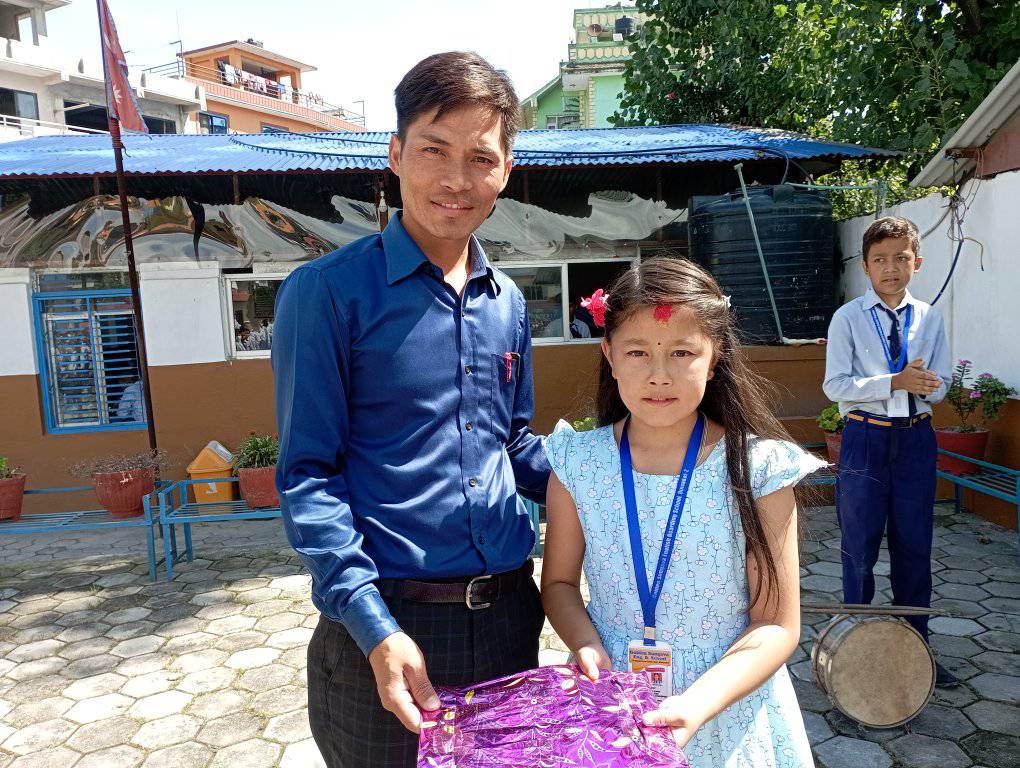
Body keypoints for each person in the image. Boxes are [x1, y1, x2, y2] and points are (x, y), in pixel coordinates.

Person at [272, 51, 550, 768]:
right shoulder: (327, 294)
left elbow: (513, 444)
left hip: (510, 621)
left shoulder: (508, 304)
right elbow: (307, 474)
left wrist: (637, 469)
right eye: (433, 150)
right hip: (390, 629)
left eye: (480, 157)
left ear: (506, 170)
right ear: (395, 154)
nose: (456, 180)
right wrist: (373, 626)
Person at [541, 257, 821, 767]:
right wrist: (586, 646)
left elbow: (776, 625)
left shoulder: (759, 469)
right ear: (608, 353)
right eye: (638, 352)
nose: (659, 375)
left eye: (682, 352)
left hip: (729, 709)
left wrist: (696, 705)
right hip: (617, 707)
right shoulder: (577, 464)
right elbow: (558, 583)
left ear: (714, 359)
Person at [822, 216, 955, 686]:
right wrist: (893, 381)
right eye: (880, 259)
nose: (891, 268)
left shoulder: (931, 319)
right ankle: (852, 647)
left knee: (914, 543)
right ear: (865, 266)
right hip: (865, 438)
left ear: (916, 262)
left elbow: (942, 385)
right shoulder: (848, 318)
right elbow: (835, 385)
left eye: (901, 258)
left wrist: (930, 385)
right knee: (858, 544)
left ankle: (915, 647)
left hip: (916, 438)